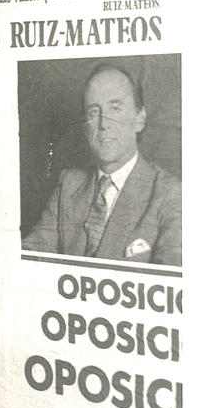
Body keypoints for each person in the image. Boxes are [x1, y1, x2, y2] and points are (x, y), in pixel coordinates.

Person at [23, 64, 181, 265]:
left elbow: (174, 282)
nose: (104, 124)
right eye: (93, 112)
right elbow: (31, 255)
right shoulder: (69, 184)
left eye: (115, 108)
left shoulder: (170, 193)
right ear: (85, 127)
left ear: (139, 119)